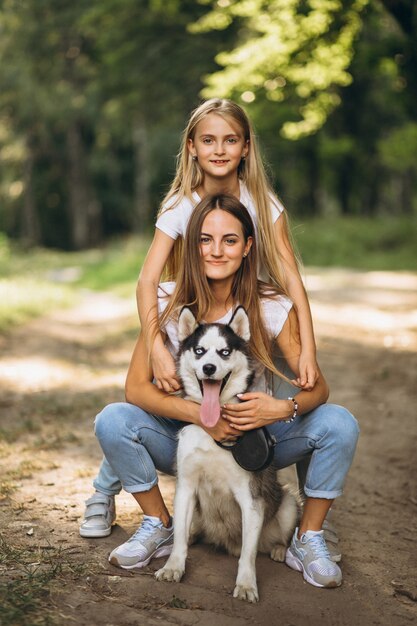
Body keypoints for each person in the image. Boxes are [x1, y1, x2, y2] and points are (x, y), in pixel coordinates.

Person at [80, 98, 321, 541]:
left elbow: (292, 277)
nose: (219, 149)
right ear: (191, 147)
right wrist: (157, 346)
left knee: (296, 400)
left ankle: (309, 520)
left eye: (230, 140)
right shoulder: (180, 204)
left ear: (246, 147)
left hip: (254, 314)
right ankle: (105, 489)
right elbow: (146, 281)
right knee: (143, 398)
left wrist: (307, 346)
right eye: (208, 140)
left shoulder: (263, 202)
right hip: (192, 310)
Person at [88, 194, 359, 588]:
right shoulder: (166, 302)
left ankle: (308, 536)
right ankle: (159, 523)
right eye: (204, 239)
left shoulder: (269, 306)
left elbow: (319, 389)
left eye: (229, 240)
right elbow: (135, 389)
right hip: (187, 436)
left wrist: (280, 409)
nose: (216, 250)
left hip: (257, 444)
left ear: (248, 247)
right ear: (191, 246)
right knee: (112, 420)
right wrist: (201, 416)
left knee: (339, 423)